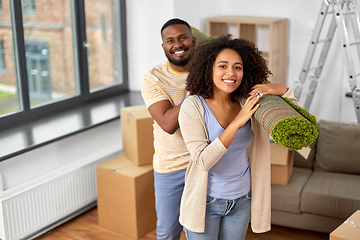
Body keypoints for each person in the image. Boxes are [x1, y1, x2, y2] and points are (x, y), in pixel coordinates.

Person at [178, 35, 298, 240]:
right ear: (209, 69)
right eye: (222, 66)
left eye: (237, 67)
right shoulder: (193, 107)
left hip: (242, 200)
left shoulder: (248, 102)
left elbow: (295, 117)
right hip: (206, 203)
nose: (230, 73)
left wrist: (281, 90)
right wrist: (236, 123)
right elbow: (203, 161)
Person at [140, 18, 196, 240]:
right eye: (170, 40)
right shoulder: (153, 78)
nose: (178, 45)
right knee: (168, 232)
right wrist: (200, 90)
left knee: (201, 230)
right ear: (163, 46)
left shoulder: (211, 68)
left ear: (193, 40)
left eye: (182, 38)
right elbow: (167, 123)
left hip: (204, 163)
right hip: (170, 167)